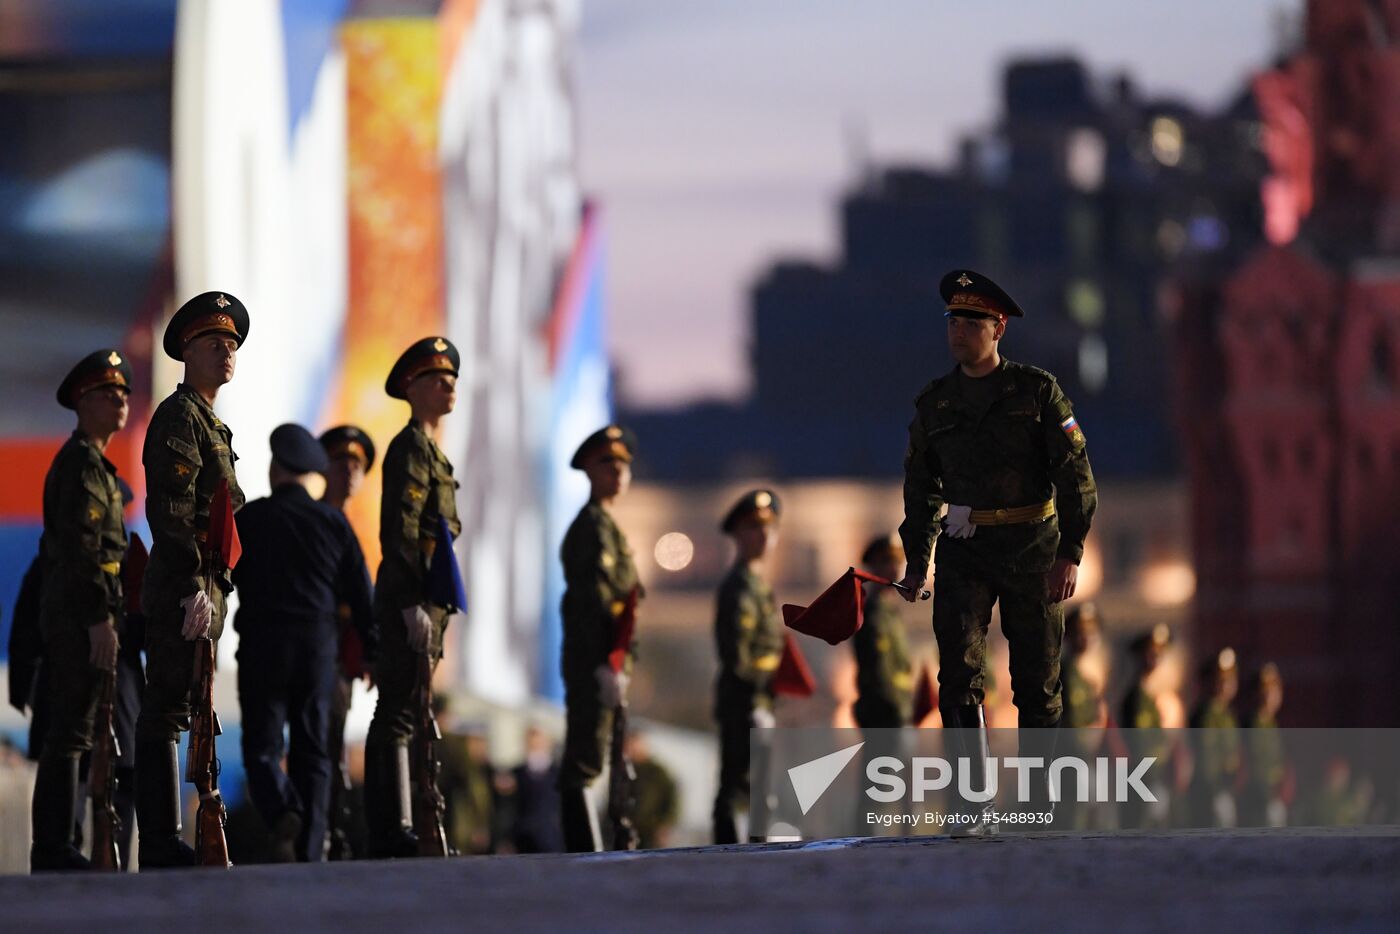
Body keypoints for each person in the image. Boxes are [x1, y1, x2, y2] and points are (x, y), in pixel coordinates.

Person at [895, 269, 1097, 829]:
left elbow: (1076, 475)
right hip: (967, 549)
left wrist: (1070, 552)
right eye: (953, 322)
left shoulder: (1036, 392)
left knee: (1037, 680)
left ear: (998, 328)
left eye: (971, 322)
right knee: (958, 677)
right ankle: (970, 807)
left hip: (1033, 546)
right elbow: (920, 490)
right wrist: (918, 561)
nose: (958, 331)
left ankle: (1039, 808)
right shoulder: (935, 404)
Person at [137, 292, 249, 868]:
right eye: (214, 343)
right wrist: (188, 588)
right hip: (186, 588)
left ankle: (174, 837)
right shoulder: (181, 418)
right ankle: (159, 842)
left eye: (231, 345)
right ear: (186, 350)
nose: (225, 352)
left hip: (206, 588)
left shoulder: (212, 424)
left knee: (190, 708)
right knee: (168, 711)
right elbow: (172, 512)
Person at [232, 424, 374, 862]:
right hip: (317, 654)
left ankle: (281, 808)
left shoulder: (249, 520)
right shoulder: (333, 523)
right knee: (314, 753)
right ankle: (311, 850)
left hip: (262, 649)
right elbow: (361, 593)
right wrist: (373, 649)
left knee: (262, 749)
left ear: (275, 468)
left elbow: (224, 574)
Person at [28, 350, 132, 871]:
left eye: (124, 394)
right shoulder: (83, 467)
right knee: (69, 732)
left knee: (79, 730)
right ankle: (53, 847)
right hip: (78, 619)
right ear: (83, 403)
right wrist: (97, 618)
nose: (121, 401)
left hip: (88, 616)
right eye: (108, 394)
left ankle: (59, 845)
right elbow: (83, 549)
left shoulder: (96, 466)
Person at [364, 337, 463, 858]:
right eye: (436, 379)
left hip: (428, 602)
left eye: (451, 380)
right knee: (398, 713)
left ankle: (405, 825)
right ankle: (392, 828)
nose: (448, 386)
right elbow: (400, 532)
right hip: (411, 601)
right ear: (412, 388)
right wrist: (408, 603)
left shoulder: (433, 454)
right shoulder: (409, 449)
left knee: (411, 710)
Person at [558, 425, 642, 852]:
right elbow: (590, 606)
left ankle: (596, 844)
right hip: (593, 659)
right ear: (589, 470)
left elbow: (625, 605)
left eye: (623, 464)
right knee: (586, 757)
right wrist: (601, 664)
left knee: (603, 753)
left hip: (609, 660)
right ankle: (583, 848)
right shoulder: (589, 528)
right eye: (608, 463)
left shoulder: (610, 529)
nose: (618, 471)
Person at [318, 424, 379, 859]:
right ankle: (318, 831)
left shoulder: (348, 527)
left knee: (332, 744)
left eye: (356, 465)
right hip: (315, 652)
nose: (350, 472)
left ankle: (330, 829)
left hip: (340, 658)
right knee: (316, 747)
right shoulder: (317, 521)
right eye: (342, 462)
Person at [711, 489, 785, 845]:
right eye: (754, 527)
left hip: (760, 701)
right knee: (739, 783)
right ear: (738, 534)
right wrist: (756, 699)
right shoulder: (739, 587)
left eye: (770, 528)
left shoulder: (757, 586)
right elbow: (737, 656)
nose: (764, 535)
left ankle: (752, 853)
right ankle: (729, 855)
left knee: (757, 784)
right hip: (744, 701)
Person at [852, 534, 914, 729]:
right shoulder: (873, 613)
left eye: (897, 561)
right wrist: (897, 709)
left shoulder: (890, 611)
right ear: (874, 567)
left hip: (897, 708)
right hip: (883, 712)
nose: (894, 568)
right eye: (887, 562)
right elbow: (879, 670)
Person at [1190, 647, 1242, 827]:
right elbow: (1207, 756)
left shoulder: (1227, 715)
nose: (1225, 685)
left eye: (1229, 679)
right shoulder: (1207, 714)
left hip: (1228, 788)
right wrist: (1215, 790)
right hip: (1211, 791)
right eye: (1220, 680)